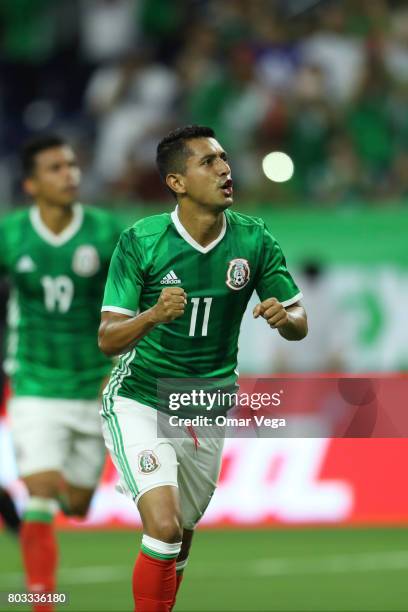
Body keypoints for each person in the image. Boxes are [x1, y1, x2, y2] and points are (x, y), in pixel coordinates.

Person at [98, 125, 308, 611]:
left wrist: (285, 318)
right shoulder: (142, 240)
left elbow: (299, 320)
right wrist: (151, 315)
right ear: (177, 182)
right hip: (141, 397)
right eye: (208, 162)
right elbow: (108, 338)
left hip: (207, 402)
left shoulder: (253, 239)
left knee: (180, 539)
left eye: (224, 159)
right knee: (164, 526)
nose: (225, 169)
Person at [0, 134, 121, 610]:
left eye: (71, 164)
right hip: (33, 382)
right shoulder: (11, 234)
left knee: (77, 503)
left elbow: (136, 301)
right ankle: (42, 600)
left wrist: (124, 365)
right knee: (41, 488)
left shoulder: (107, 231)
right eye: (54, 168)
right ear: (31, 183)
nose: (69, 174)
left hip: (94, 385)